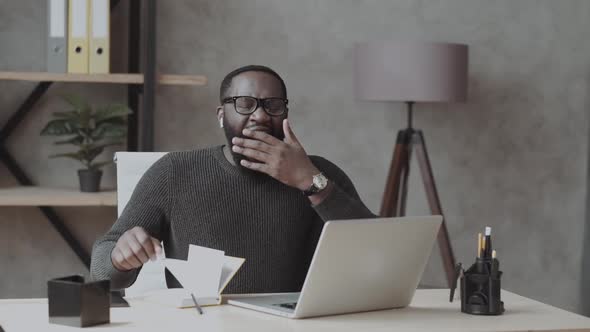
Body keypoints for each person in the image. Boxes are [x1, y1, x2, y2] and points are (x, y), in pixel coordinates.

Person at [90, 65, 376, 293]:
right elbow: (102, 267)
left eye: (272, 105)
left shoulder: (319, 173)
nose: (260, 116)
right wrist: (119, 257)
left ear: (285, 113)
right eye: (245, 104)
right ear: (220, 115)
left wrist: (310, 182)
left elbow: (377, 255)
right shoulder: (173, 173)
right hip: (203, 325)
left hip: (292, 325)